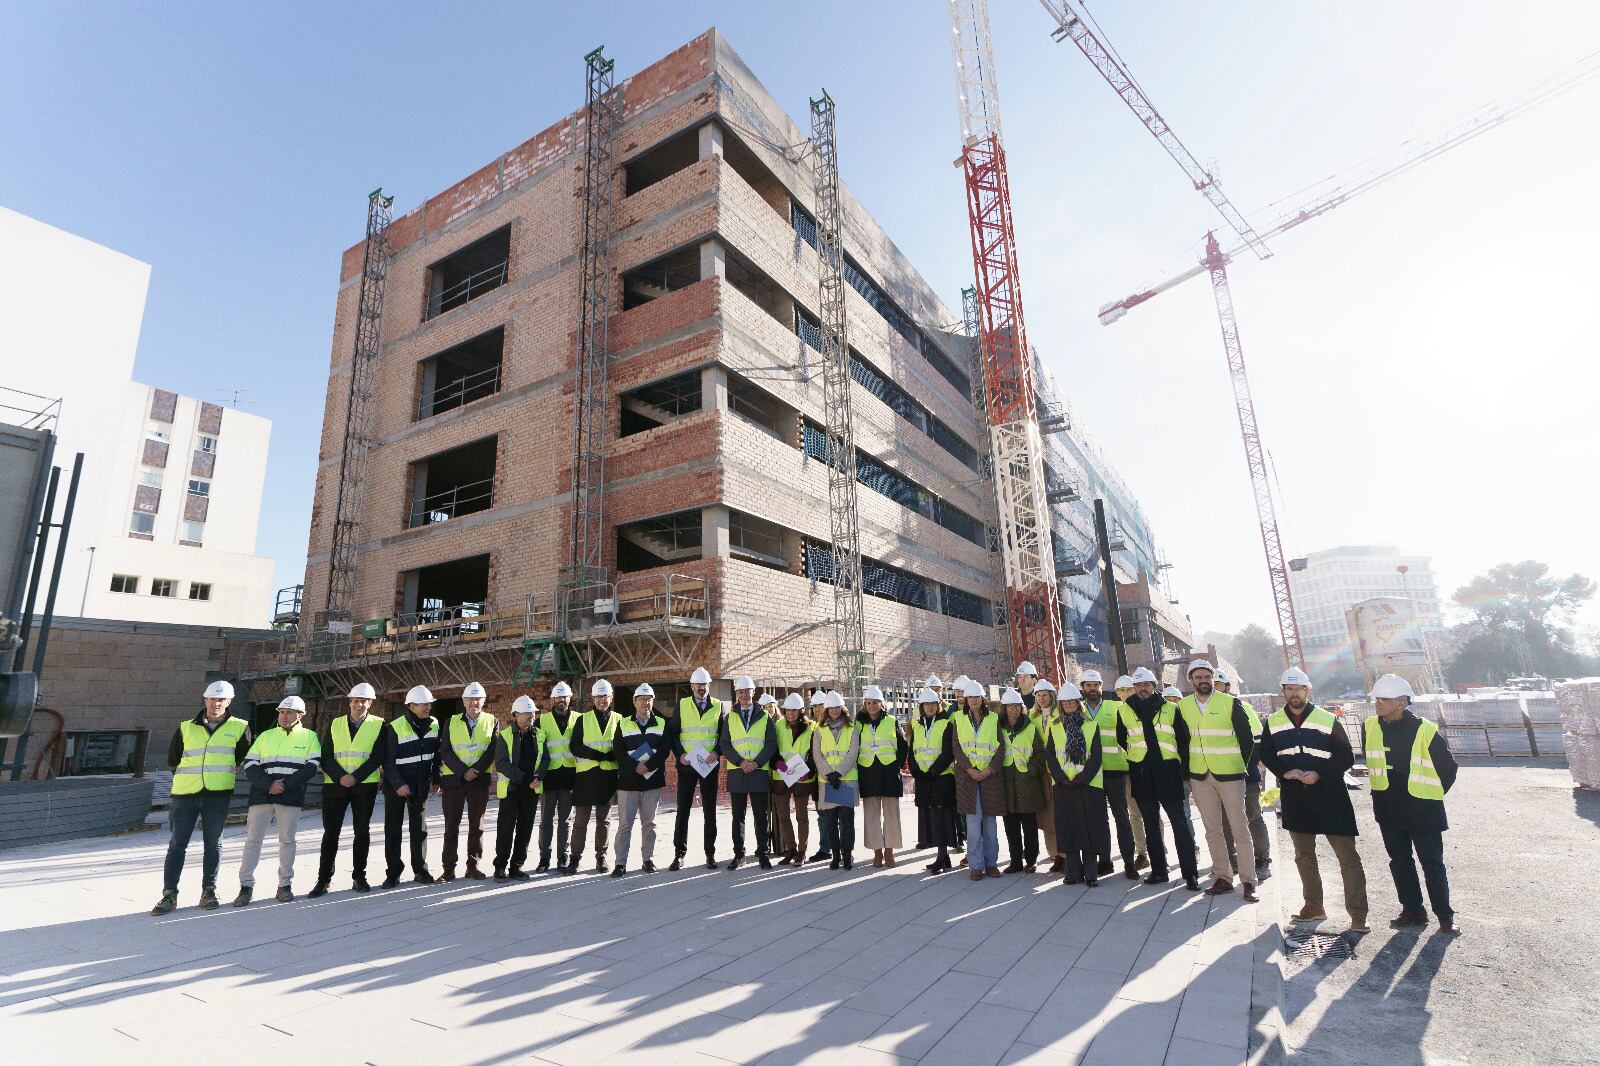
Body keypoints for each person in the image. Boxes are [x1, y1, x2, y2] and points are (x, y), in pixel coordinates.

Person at [1257, 668, 1367, 933]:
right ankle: (1313, 906)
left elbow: (1346, 757)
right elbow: (1266, 754)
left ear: (1308, 690)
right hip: (1296, 797)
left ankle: (1358, 916)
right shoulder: (1273, 721)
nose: (1294, 694)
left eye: (1299, 689)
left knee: (1347, 857)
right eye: (1289, 689)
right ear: (1283, 691)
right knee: (1304, 856)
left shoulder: (1326, 719)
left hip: (1331, 795)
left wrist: (1320, 774)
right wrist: (1285, 772)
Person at [1365, 674, 1459, 934]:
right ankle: (1413, 910)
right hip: (1388, 809)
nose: (1378, 703)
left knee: (1432, 864)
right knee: (1400, 861)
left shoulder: (1425, 729)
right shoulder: (1370, 727)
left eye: (1383, 699)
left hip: (1423, 811)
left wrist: (1431, 795)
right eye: (1377, 699)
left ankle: (1445, 916)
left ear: (1401, 702)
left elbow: (1448, 769)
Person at [151, 680, 252, 915]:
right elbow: (173, 759)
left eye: (221, 700)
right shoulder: (186, 727)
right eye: (212, 699)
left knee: (213, 844)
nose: (216, 703)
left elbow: (242, 757)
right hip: (185, 794)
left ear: (229, 702)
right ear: (205, 700)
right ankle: (169, 895)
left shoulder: (240, 727)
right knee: (177, 845)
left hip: (217, 794)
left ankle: (209, 891)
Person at [1178, 660, 1259, 902]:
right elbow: (1183, 741)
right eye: (1198, 677)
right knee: (1212, 830)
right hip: (1201, 776)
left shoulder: (1230, 703)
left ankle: (1249, 881)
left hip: (1230, 775)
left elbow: (1247, 740)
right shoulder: (1183, 706)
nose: (1203, 680)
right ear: (1191, 681)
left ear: (1213, 679)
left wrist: (1240, 767)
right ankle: (1223, 877)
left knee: (1239, 828)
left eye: (1207, 676)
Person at [234, 696, 321, 906]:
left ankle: (284, 885)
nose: (284, 716)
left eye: (289, 712)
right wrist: (269, 784)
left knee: (287, 841)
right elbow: (250, 763)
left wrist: (285, 785)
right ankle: (246, 886)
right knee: (253, 841)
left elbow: (312, 766)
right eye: (281, 712)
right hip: (261, 795)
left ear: (300, 715)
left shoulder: (310, 737)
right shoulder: (265, 736)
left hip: (290, 797)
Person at [1126, 668, 1201, 891]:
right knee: (1151, 826)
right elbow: (1124, 739)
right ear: (1134, 687)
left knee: (1180, 825)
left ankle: (1190, 874)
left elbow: (1183, 741)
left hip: (1168, 773)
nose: (1143, 688)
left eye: (1147, 684)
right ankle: (1159, 871)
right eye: (1139, 685)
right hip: (1141, 774)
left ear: (1154, 685)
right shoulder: (1125, 710)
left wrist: (1182, 772)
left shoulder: (1171, 709)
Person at [310, 681, 388, 898]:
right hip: (335, 786)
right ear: (350, 702)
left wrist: (355, 777)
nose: (358, 704)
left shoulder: (379, 724)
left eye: (363, 701)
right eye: (355, 700)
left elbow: (378, 757)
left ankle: (359, 877)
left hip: (364, 786)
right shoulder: (335, 724)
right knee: (330, 834)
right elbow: (325, 755)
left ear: (370, 703)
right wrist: (340, 777)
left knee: (361, 832)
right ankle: (323, 880)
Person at [1079, 670, 1148, 879]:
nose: (1092, 689)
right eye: (1088, 686)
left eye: (1095, 685)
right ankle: (1105, 861)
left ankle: (1128, 862)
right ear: (1082, 688)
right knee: (1099, 820)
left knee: (1122, 818)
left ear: (1101, 686)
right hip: (1092, 774)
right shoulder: (1078, 710)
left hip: (1116, 771)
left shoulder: (1115, 706)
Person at [1046, 682, 1107, 886]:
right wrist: (1062, 778)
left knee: (1090, 829)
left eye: (1072, 701)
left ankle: (1091, 874)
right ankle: (1072, 873)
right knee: (1068, 829)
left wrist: (1082, 779)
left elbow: (1096, 756)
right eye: (1065, 702)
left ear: (1078, 703)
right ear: (1061, 704)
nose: (1069, 704)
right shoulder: (1054, 727)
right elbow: (1051, 756)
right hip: (1064, 786)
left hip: (1088, 786)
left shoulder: (1091, 725)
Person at [1217, 669, 1272, 883]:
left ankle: (1262, 860)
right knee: (1226, 821)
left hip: (1245, 775)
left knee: (1253, 817)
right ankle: (1234, 862)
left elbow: (1258, 740)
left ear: (1226, 686)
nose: (1214, 687)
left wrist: (1246, 764)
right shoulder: (1205, 710)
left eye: (1218, 684)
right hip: (1220, 776)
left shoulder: (1242, 707)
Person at [382, 686, 441, 887]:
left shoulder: (434, 724)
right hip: (396, 787)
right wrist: (399, 784)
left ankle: (420, 871)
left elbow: (437, 755)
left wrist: (436, 777)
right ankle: (393, 873)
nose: (428, 708)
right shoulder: (395, 727)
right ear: (411, 706)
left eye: (429, 704)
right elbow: (388, 761)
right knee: (393, 830)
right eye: (424, 704)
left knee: (419, 830)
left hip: (420, 786)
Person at [439, 680, 496, 882]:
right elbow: (445, 750)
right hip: (454, 780)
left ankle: (473, 866)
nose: (474, 702)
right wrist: (463, 771)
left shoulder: (492, 721)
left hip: (479, 780)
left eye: (478, 699)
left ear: (484, 701)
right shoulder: (451, 722)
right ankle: (448, 869)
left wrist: (477, 770)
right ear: (463, 701)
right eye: (470, 699)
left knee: (477, 826)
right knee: (451, 825)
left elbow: (492, 750)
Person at [719, 675, 777, 870]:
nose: (744, 695)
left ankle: (763, 853)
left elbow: (771, 744)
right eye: (741, 692)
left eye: (747, 691)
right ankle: (739, 854)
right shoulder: (730, 717)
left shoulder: (765, 716)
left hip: (758, 771)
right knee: (738, 816)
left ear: (754, 693)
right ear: (737, 694)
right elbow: (725, 744)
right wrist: (740, 761)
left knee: (761, 816)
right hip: (737, 771)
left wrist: (757, 762)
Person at [613, 683, 670, 876]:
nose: (646, 703)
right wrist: (634, 766)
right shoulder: (623, 723)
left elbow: (664, 750)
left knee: (649, 824)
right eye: (642, 699)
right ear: (634, 702)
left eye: (649, 699)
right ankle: (620, 863)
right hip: (628, 781)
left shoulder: (662, 723)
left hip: (651, 781)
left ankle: (648, 859)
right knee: (624, 825)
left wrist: (648, 765)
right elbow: (618, 751)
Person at [670, 667, 723, 871]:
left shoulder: (718, 706)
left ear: (709, 686)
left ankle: (710, 854)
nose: (701, 688)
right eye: (698, 685)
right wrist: (679, 754)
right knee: (683, 811)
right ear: (692, 686)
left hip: (709, 766)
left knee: (710, 811)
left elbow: (723, 736)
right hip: (687, 766)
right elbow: (673, 734)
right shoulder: (682, 705)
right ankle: (679, 854)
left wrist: (717, 752)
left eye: (704, 685)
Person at [953, 677, 1004, 880]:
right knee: (973, 823)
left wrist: (990, 769)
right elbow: (956, 747)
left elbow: (1001, 747)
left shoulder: (993, 718)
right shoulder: (958, 718)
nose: (973, 700)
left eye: (977, 697)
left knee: (990, 823)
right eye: (970, 697)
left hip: (989, 777)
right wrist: (969, 769)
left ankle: (991, 863)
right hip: (968, 777)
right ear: (965, 700)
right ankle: (975, 865)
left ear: (983, 699)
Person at [570, 678, 621, 875]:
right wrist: (597, 755)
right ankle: (575, 859)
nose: (602, 700)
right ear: (593, 698)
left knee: (604, 820)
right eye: (598, 696)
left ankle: (601, 857)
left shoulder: (619, 719)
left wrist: (613, 755)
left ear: (611, 697)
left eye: (605, 696)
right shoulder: (583, 719)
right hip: (586, 777)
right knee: (580, 821)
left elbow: (622, 746)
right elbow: (575, 746)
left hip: (608, 777)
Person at [493, 695, 546, 882]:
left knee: (525, 830)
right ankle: (500, 867)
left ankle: (516, 866)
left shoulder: (539, 734)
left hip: (531, 792)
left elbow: (545, 759)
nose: (531, 716)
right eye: (527, 712)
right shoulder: (505, 736)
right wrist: (525, 779)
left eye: (532, 712)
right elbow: (501, 764)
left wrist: (539, 776)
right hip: (511, 791)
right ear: (516, 714)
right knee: (505, 830)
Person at [998, 688, 1049, 872]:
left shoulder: (1030, 727)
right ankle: (1015, 861)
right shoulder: (998, 728)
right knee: (1010, 827)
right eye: (1010, 706)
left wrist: (1031, 770)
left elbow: (1040, 753)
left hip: (1027, 783)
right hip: (1006, 783)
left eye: (1017, 706)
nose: (1014, 710)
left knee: (1029, 826)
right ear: (1004, 708)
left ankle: (1031, 860)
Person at [856, 684, 906, 867]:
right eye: (868, 703)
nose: (871, 706)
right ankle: (877, 852)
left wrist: (897, 766)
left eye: (875, 702)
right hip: (867, 773)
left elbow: (903, 745)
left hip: (889, 773)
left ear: (881, 704)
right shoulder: (858, 723)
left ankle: (890, 851)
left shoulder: (892, 721)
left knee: (891, 814)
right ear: (864, 705)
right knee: (871, 815)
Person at [908, 687, 957, 873]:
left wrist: (934, 771)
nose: (930, 707)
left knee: (941, 817)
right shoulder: (918, 725)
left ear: (938, 705)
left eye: (933, 704)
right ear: (921, 707)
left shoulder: (946, 724)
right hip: (923, 778)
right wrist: (915, 771)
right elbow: (912, 751)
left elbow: (947, 752)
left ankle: (941, 855)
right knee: (930, 817)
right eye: (926, 704)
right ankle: (943, 857)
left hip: (941, 777)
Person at [812, 691, 860, 869]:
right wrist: (829, 774)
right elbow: (817, 754)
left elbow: (853, 753)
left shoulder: (852, 728)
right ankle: (835, 856)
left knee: (847, 821)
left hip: (846, 781)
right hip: (828, 782)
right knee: (831, 821)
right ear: (826, 710)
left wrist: (838, 773)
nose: (834, 710)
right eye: (831, 707)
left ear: (842, 708)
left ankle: (847, 855)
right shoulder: (819, 729)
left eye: (837, 707)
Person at [536, 681, 579, 873]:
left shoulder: (580, 719)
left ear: (570, 698)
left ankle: (563, 857)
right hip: (548, 777)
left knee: (565, 820)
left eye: (565, 697)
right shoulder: (542, 721)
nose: (561, 700)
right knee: (546, 820)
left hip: (570, 776)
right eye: (558, 697)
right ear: (552, 699)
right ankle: (544, 858)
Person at [771, 693, 816, 865]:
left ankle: (802, 852)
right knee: (783, 816)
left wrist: (809, 771)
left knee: (801, 816)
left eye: (794, 711)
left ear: (801, 711)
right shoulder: (778, 725)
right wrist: (777, 763)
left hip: (802, 778)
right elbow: (772, 747)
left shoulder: (811, 727)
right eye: (788, 710)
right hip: (781, 777)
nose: (790, 714)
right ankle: (791, 850)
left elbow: (814, 752)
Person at [1029, 679, 1065, 873]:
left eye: (1045, 695)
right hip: (1042, 772)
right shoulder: (1032, 716)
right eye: (1038, 696)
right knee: (1047, 816)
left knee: (1061, 813)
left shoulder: (1061, 714)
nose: (1042, 699)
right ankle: (1055, 855)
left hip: (1059, 769)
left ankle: (1067, 854)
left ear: (1052, 696)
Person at [1115, 672, 1150, 869]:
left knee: (1151, 812)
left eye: (1129, 688)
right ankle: (1142, 853)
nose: (1126, 693)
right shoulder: (1118, 711)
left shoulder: (1147, 707)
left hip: (1147, 767)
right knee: (1135, 814)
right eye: (1121, 690)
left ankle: (1158, 849)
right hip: (1127, 769)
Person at [806, 689, 834, 862]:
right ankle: (825, 848)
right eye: (815, 706)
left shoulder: (835, 726)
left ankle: (840, 848)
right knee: (822, 815)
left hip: (835, 777)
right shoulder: (812, 727)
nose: (817, 710)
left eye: (821, 706)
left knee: (837, 815)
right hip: (818, 779)